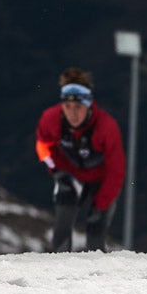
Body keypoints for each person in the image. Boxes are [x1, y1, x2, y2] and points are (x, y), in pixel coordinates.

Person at [33, 67, 126, 252]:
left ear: (89, 105)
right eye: (67, 107)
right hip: (70, 175)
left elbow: (116, 170)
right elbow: (43, 147)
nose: (72, 113)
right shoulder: (51, 119)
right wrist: (57, 171)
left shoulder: (106, 127)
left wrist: (101, 205)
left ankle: (99, 275)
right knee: (62, 225)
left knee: (95, 230)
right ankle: (58, 270)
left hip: (101, 180)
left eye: (78, 107)